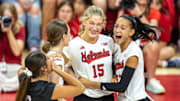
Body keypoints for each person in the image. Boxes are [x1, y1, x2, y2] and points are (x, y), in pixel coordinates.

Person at [79, 15, 159, 101]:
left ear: (131, 32)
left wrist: (89, 83)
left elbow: (121, 87)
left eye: (122, 28)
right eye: (116, 26)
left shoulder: (133, 53)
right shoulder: (117, 49)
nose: (117, 30)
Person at [65, 6, 120, 101]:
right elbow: (58, 61)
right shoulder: (74, 44)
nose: (95, 28)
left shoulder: (108, 41)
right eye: (91, 23)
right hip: (85, 96)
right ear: (84, 22)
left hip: (107, 95)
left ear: (103, 25)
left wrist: (115, 75)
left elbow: (119, 59)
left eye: (99, 24)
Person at [118, 0, 165, 94]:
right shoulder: (125, 10)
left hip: (143, 53)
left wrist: (139, 14)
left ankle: (151, 80)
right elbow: (117, 32)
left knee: (153, 45)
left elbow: (153, 33)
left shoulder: (153, 11)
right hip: (126, 51)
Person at [16, 51, 85, 101]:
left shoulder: (24, 78)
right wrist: (58, 70)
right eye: (48, 59)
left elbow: (21, 69)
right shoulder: (47, 89)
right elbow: (80, 87)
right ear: (43, 68)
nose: (52, 59)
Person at [0, 3, 25, 92]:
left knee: (25, 76)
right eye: (5, 17)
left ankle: (3, 86)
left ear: (15, 17)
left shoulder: (20, 28)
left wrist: (9, 31)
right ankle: (8, 87)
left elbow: (17, 51)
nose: (8, 20)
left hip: (14, 67)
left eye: (10, 17)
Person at [42, 20, 71, 86]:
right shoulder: (57, 59)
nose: (70, 36)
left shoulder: (52, 54)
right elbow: (54, 87)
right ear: (64, 37)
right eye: (69, 33)